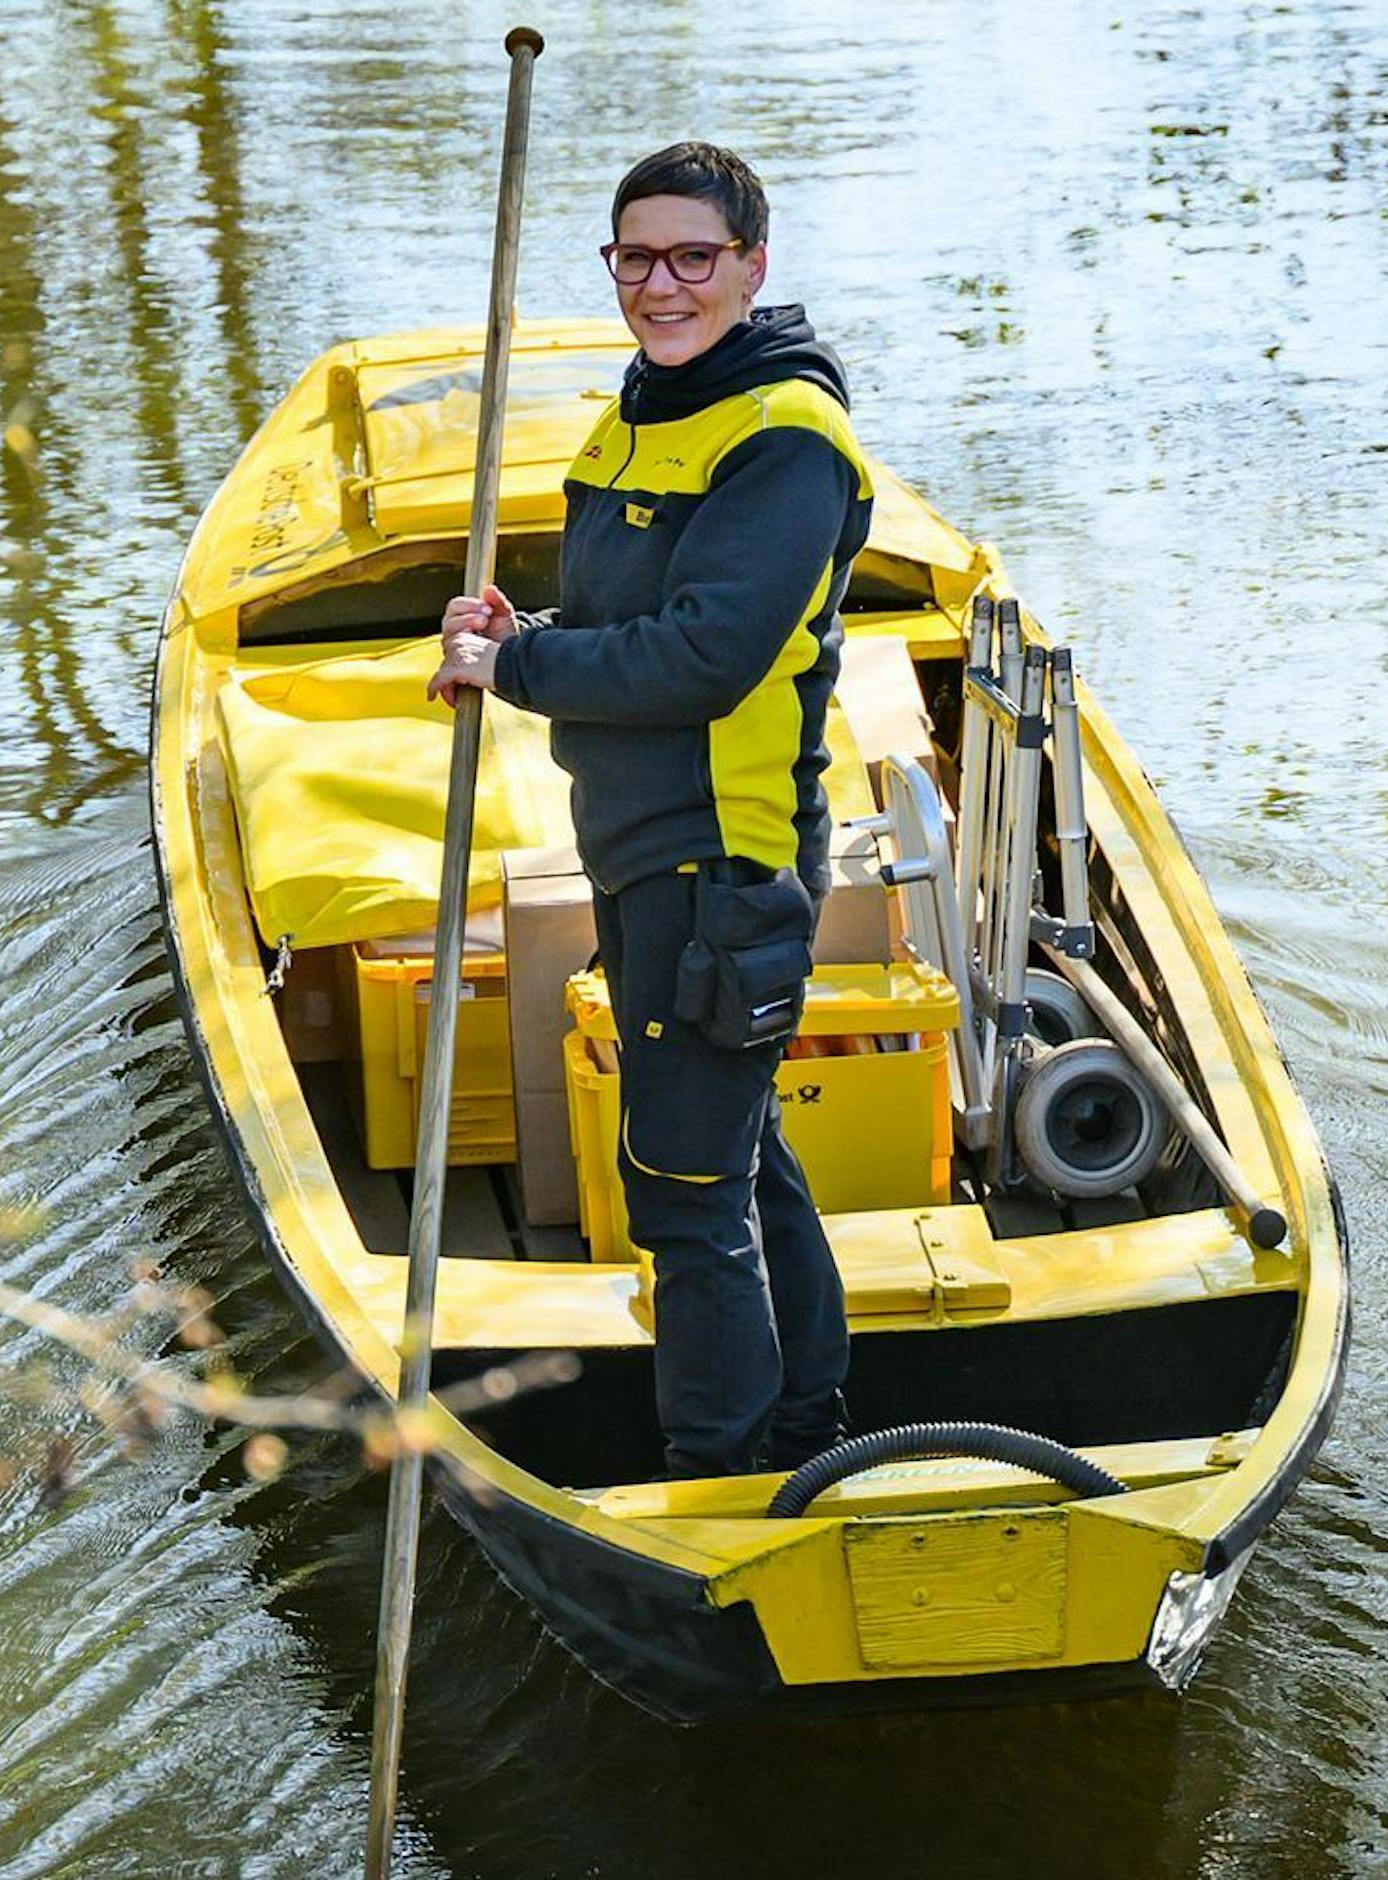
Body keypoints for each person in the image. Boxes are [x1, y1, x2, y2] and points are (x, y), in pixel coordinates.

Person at [429, 142, 872, 1480]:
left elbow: (703, 657)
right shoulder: (650, 408)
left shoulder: (784, 439)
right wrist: (535, 627)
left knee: (686, 1202)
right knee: (744, 1160)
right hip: (641, 855)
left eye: (693, 257)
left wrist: (515, 668)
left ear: (753, 264)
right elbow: (639, 622)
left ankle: (724, 1485)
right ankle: (806, 1429)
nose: (661, 285)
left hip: (717, 866)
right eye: (637, 257)